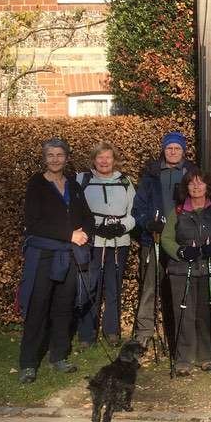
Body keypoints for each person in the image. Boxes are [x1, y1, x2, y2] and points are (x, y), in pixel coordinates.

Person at [16, 139, 94, 384]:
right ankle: (28, 364)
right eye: (50, 155)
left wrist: (85, 234)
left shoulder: (73, 185)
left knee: (63, 308)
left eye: (59, 155)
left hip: (69, 256)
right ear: (44, 158)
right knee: (38, 308)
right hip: (44, 256)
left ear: (66, 158)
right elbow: (34, 223)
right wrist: (69, 234)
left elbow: (87, 217)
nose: (55, 159)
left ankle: (58, 356)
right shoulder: (36, 184)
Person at [162, 168, 211, 375]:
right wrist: (180, 251)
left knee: (207, 312)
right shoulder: (177, 211)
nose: (196, 186)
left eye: (200, 183)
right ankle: (184, 358)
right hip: (182, 269)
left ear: (207, 187)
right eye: (191, 183)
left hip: (210, 268)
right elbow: (167, 238)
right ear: (186, 187)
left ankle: (206, 355)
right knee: (184, 312)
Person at [131, 131, 197, 350]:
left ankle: (178, 332)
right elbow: (138, 207)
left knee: (179, 289)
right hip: (154, 239)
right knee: (149, 287)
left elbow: (200, 204)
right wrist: (148, 223)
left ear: (183, 151)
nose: (173, 152)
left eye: (177, 148)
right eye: (169, 148)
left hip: (181, 241)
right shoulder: (151, 175)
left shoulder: (191, 173)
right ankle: (144, 333)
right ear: (163, 149)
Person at [77, 141, 135, 349]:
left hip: (119, 243)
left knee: (113, 288)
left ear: (114, 160)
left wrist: (122, 226)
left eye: (108, 157)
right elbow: (75, 211)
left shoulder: (125, 182)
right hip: (92, 242)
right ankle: (86, 333)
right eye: (100, 157)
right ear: (94, 160)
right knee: (90, 286)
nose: (104, 161)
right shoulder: (82, 180)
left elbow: (133, 212)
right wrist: (94, 227)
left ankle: (112, 330)